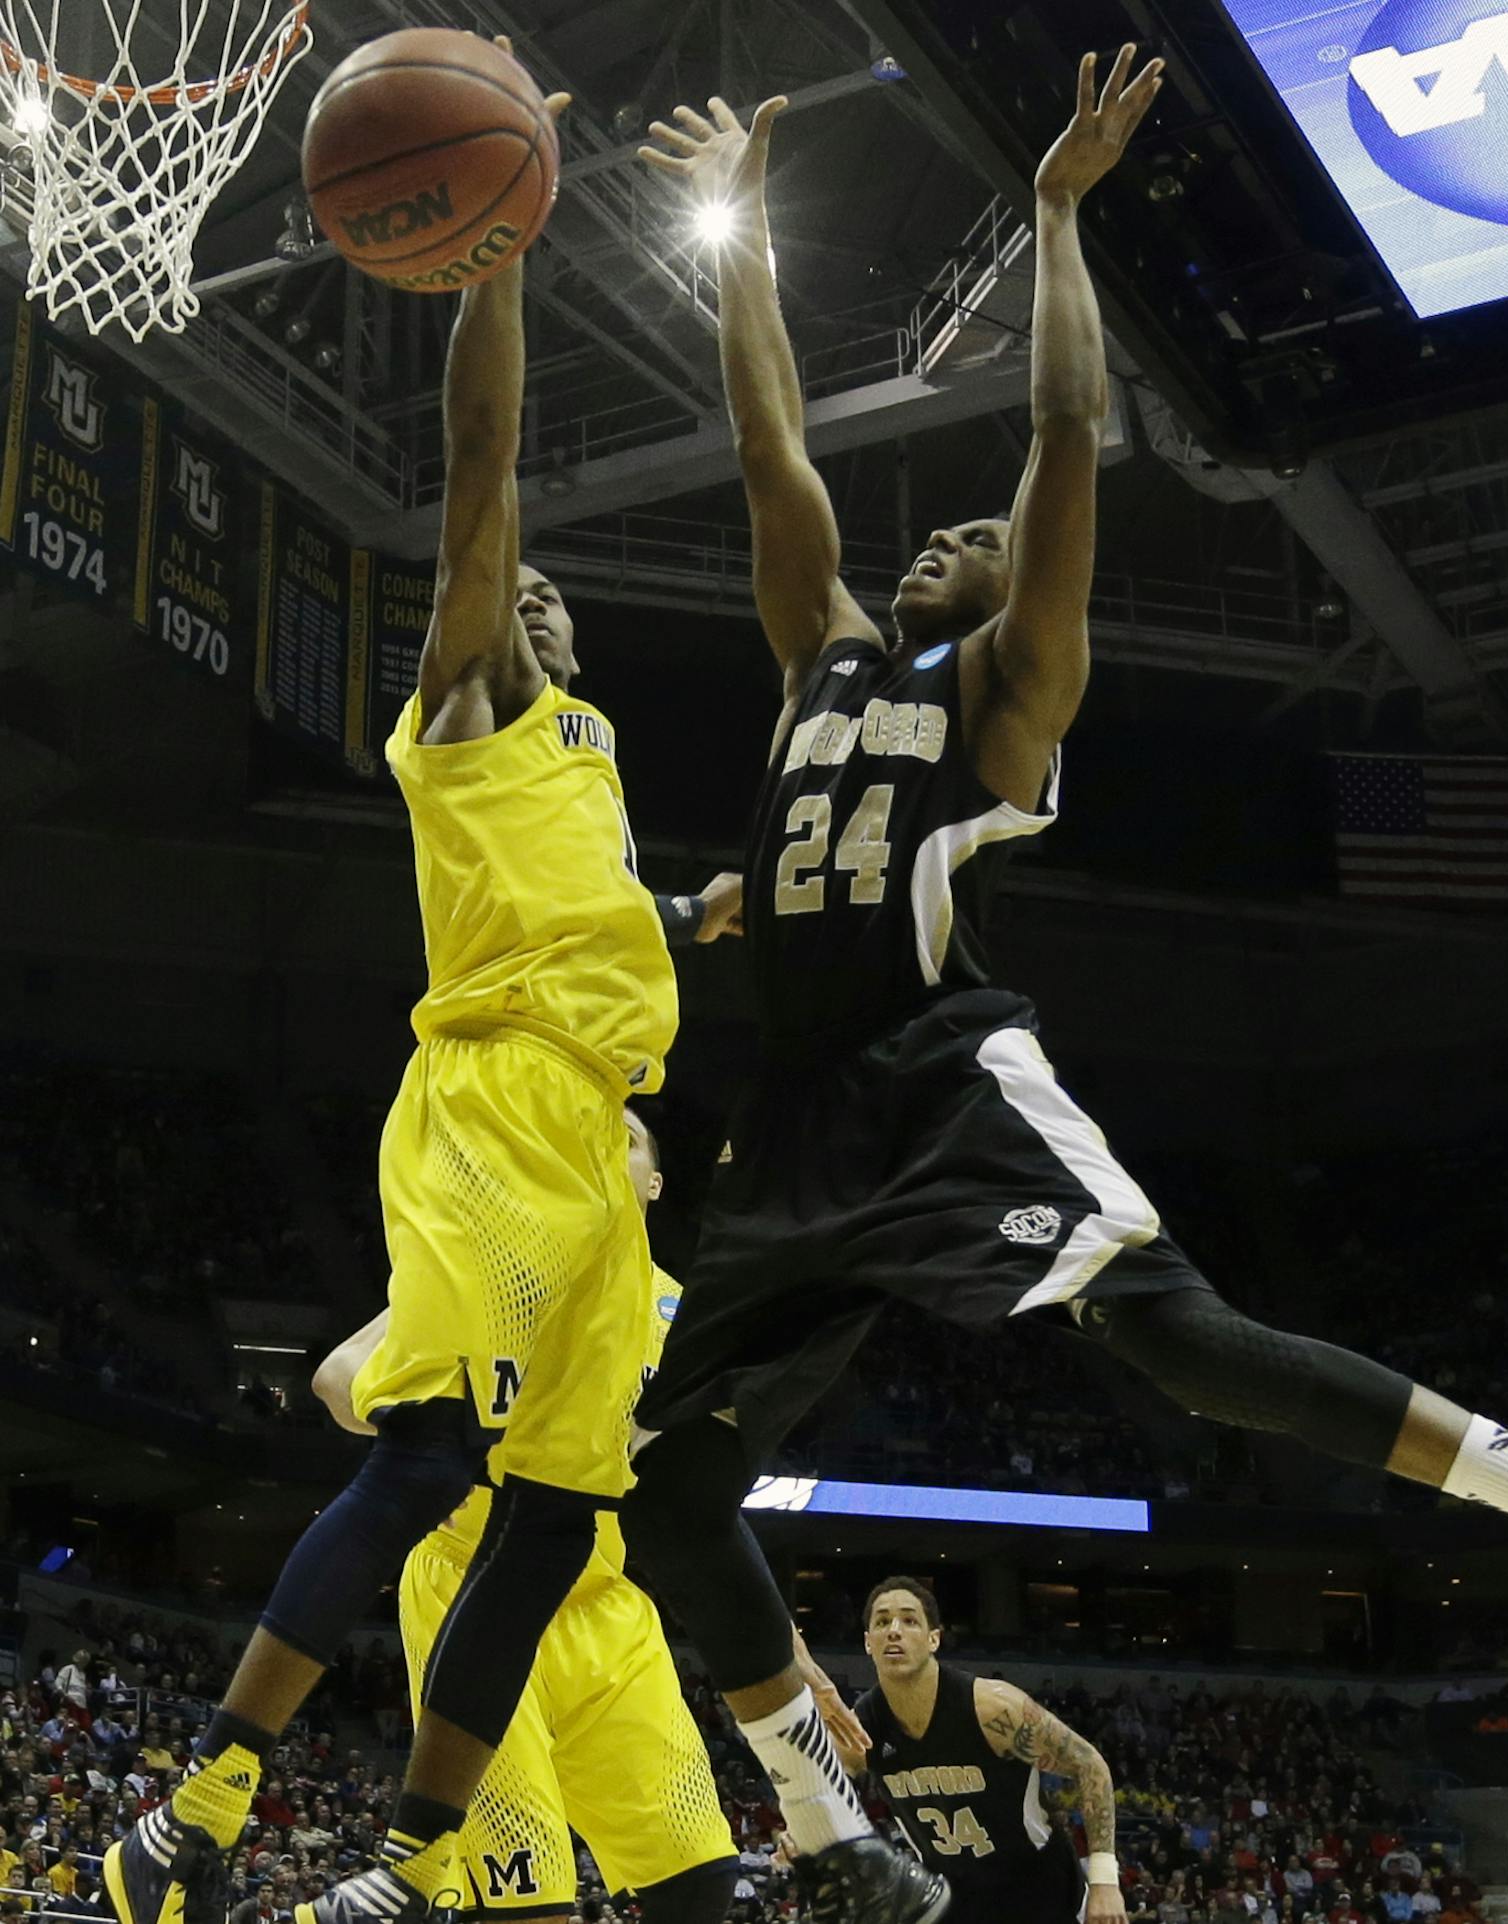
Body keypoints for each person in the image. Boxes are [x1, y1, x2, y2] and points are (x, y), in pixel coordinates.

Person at [624, 46, 1508, 1918]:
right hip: (796, 1131)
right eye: (948, 533)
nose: (955, 534)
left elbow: (1064, 443)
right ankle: (837, 1836)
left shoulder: (1004, 696)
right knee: (662, 1482)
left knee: (1190, 1344)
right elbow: (775, 451)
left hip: (943, 1079)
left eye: (981, 541)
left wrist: (1062, 219)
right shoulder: (822, 658)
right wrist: (744, 242)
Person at [105, 60, 682, 1924]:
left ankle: (416, 1856)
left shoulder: (586, 755)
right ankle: (192, 1804)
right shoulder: (465, 710)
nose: (522, 606)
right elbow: (483, 474)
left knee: (559, 1510)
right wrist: (500, 258)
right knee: (432, 1452)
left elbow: (632, 917)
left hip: (603, 1131)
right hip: (495, 1103)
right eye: (501, 600)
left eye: (543, 607)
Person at [309, 1111, 765, 1924]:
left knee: (698, 1881)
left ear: (654, 1184)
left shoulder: (687, 1320)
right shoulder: (488, 1278)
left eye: (625, 1139)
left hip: (605, 1610)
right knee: (527, 1906)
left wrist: (790, 1656)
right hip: (473, 1590)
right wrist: (439, 1417)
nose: (601, 1145)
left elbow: (703, 1513)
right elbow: (338, 1378)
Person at [838, 1579, 1107, 1924]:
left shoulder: (993, 1708)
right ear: (867, 1643)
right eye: (882, 1621)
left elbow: (1090, 1765)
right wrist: (801, 1834)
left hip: (1041, 1892)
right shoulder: (862, 1728)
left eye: (909, 1620)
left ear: (934, 1638)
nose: (894, 1631)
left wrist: (1105, 1881)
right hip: (956, 1901)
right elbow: (825, 1790)